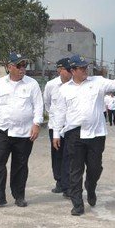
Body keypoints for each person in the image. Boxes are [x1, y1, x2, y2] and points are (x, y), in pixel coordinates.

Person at [51, 55, 115, 216]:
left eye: (86, 67)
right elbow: (59, 113)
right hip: (74, 134)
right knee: (75, 170)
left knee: (95, 168)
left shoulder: (97, 82)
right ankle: (77, 204)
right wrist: (56, 134)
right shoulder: (64, 90)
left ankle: (90, 187)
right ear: (73, 71)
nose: (85, 70)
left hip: (96, 133)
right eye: (82, 68)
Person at [0, 53, 43, 209]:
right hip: (3, 129)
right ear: (9, 67)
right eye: (19, 66)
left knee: (20, 165)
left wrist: (36, 124)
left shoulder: (32, 84)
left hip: (24, 132)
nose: (22, 69)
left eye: (24, 66)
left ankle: (19, 195)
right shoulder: (0, 83)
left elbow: (38, 106)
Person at [43, 57, 73, 194]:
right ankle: (59, 181)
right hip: (55, 126)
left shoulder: (76, 84)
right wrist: (55, 118)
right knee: (57, 154)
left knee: (70, 155)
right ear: (59, 70)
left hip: (71, 126)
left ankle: (68, 185)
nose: (70, 72)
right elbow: (47, 104)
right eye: (67, 70)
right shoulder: (51, 85)